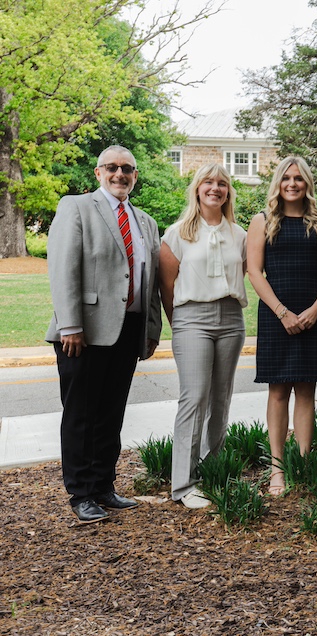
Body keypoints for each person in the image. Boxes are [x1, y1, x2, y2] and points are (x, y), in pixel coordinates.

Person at [45, 145, 162, 524]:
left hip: (128, 330)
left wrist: (151, 328)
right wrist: (71, 325)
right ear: (98, 173)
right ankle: (81, 493)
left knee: (111, 413)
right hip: (84, 331)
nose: (119, 174)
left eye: (127, 168)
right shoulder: (76, 208)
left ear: (135, 175)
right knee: (81, 413)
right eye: (111, 167)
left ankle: (103, 486)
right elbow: (63, 270)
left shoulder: (144, 221)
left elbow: (151, 281)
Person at [249, 156, 317, 495]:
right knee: (277, 391)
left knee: (306, 390)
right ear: (278, 183)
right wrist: (282, 312)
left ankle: (303, 466)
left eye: (298, 179)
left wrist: (316, 309)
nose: (292, 184)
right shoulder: (262, 221)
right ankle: (277, 470)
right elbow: (255, 272)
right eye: (286, 178)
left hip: (314, 314)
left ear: (307, 184)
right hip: (276, 315)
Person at [160, 164, 247, 509]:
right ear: (197, 189)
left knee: (220, 399)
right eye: (208, 182)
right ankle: (183, 484)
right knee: (194, 397)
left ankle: (212, 472)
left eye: (222, 184)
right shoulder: (177, 233)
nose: (215, 188)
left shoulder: (240, 235)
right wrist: (178, 322)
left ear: (228, 192)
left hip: (231, 319)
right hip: (191, 318)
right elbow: (166, 285)